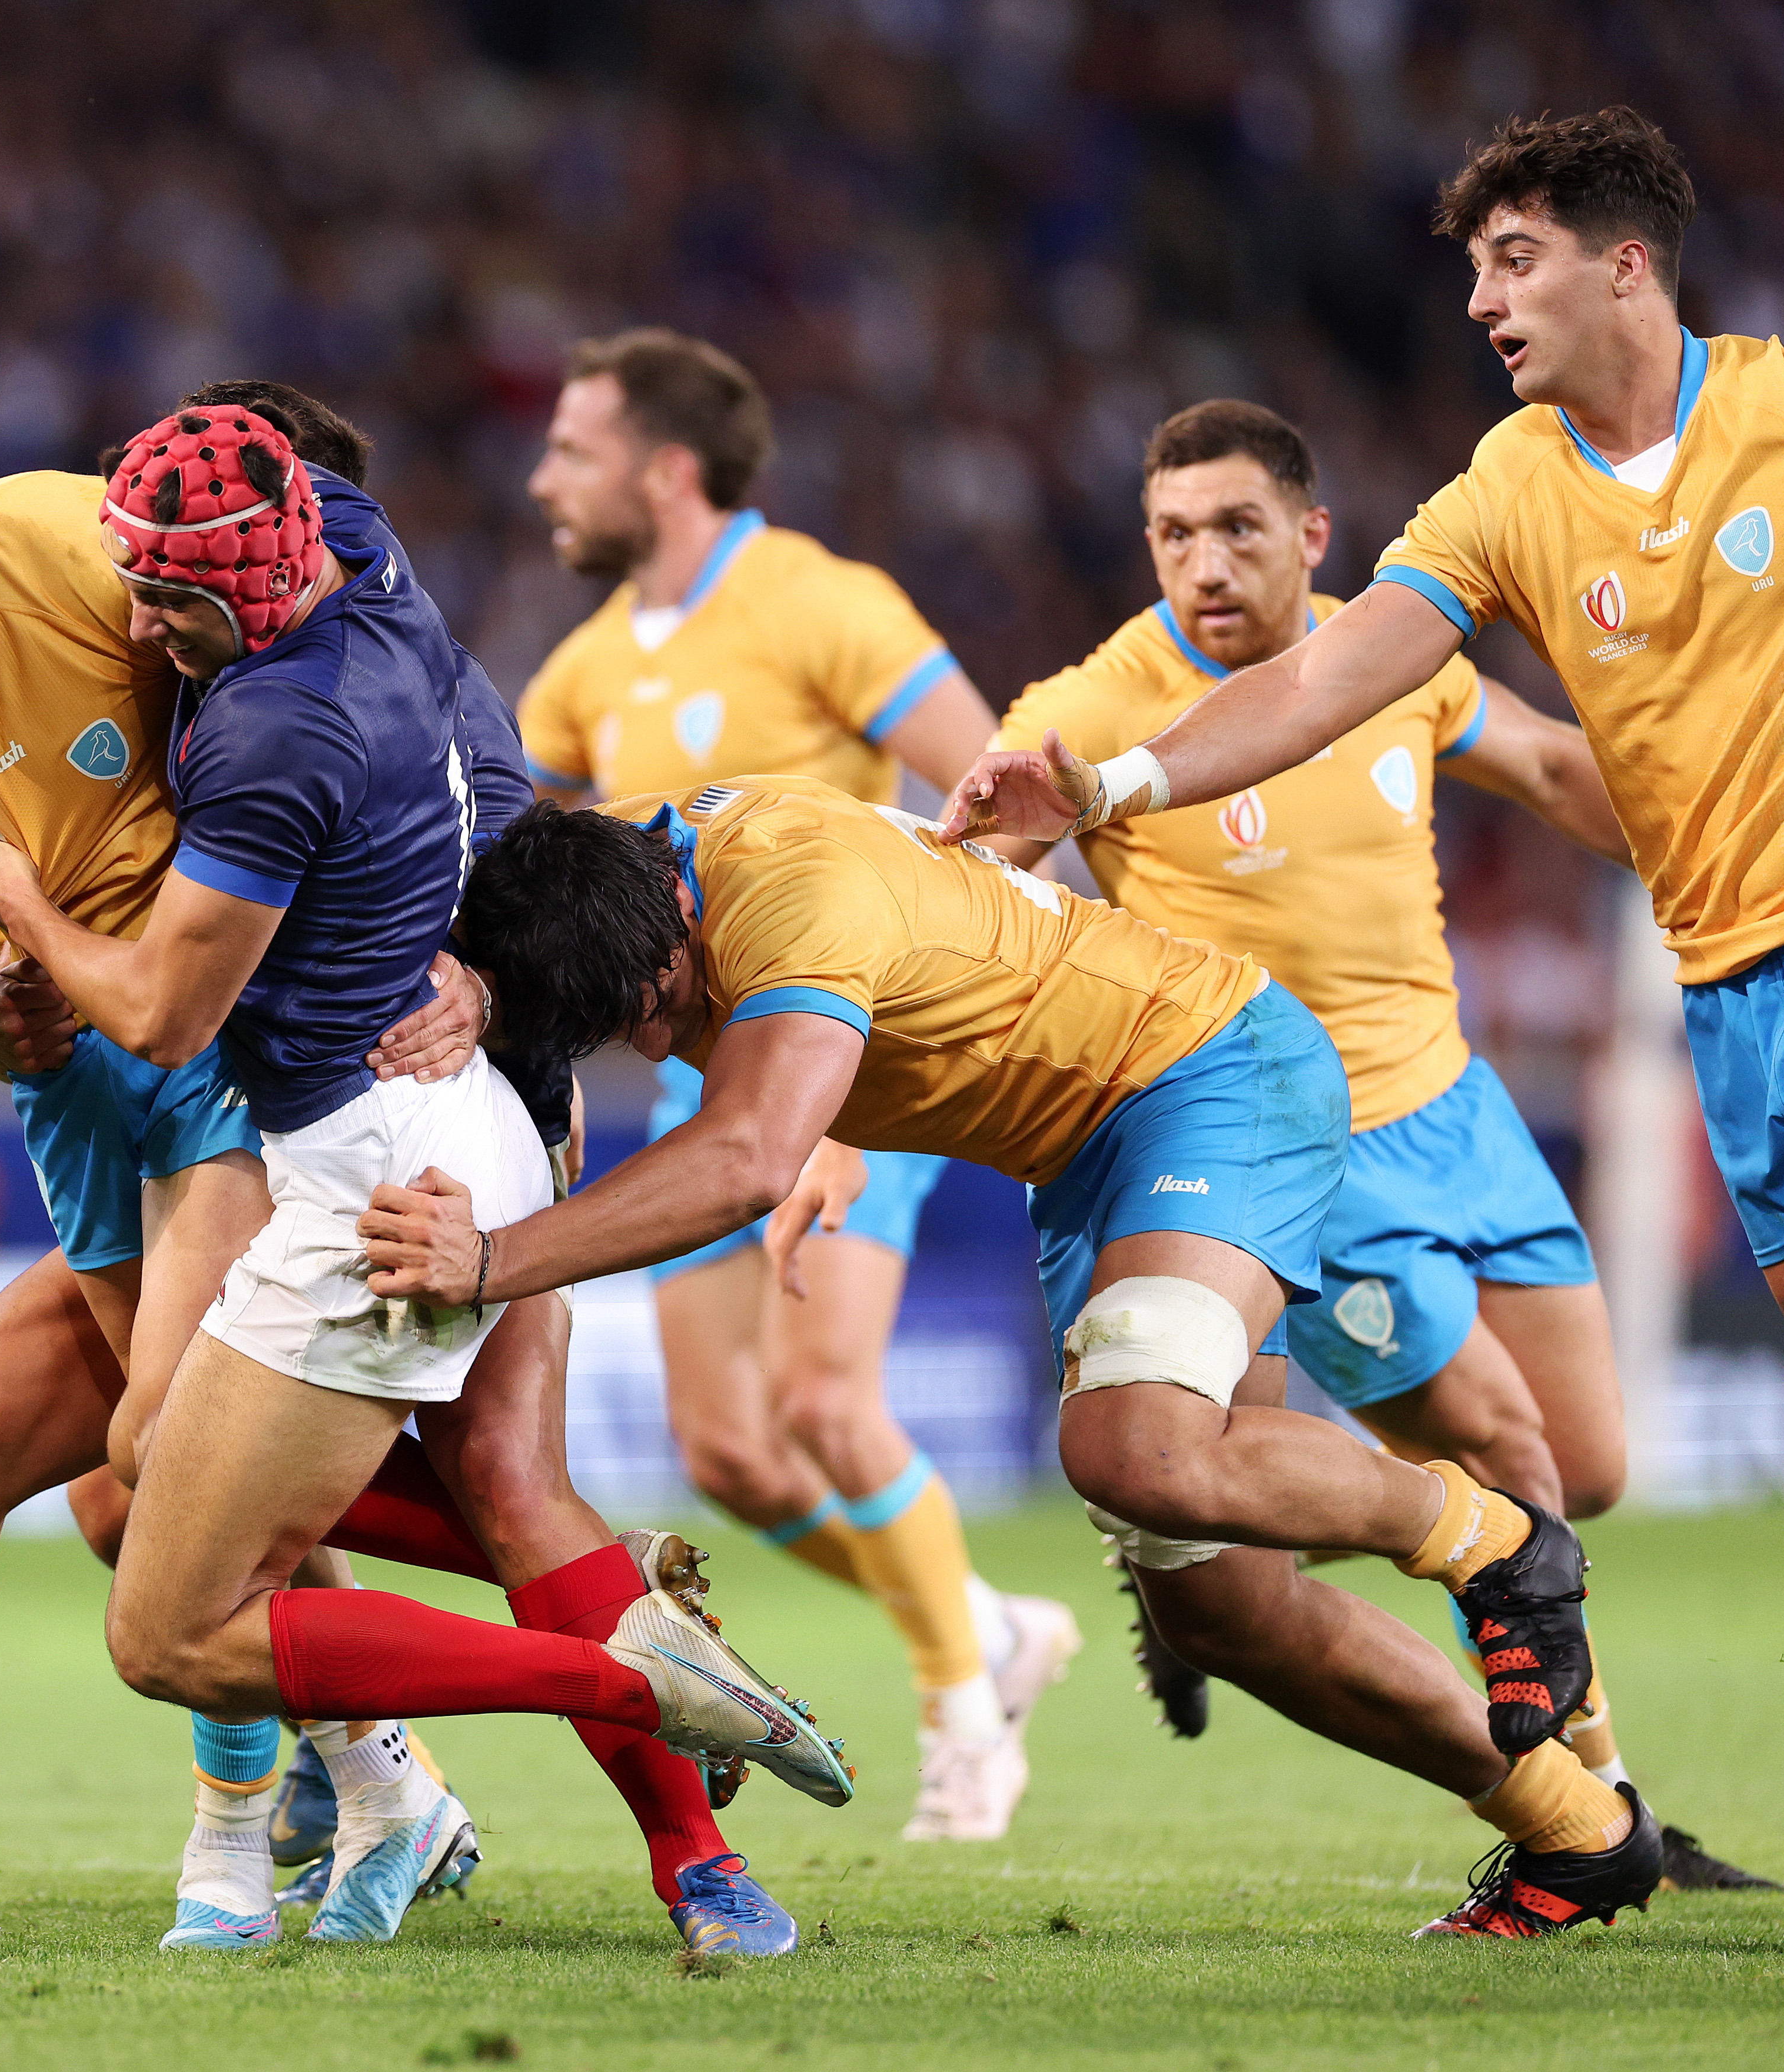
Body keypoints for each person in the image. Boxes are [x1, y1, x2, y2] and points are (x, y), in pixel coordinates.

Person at [0, 374, 778, 1956]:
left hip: (237, 1068)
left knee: (172, 1469)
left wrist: (497, 978)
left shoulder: (93, 556)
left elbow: (430, 713)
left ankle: (500, 1835)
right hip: (78, 1104)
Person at [942, 105, 1784, 1937]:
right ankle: (1527, 1722)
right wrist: (1110, 785)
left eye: (1512, 258)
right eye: (1469, 266)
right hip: (1712, 999)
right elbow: (1322, 684)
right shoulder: (1497, 496)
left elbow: (1536, 757)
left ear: (1627, 262)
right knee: (1733, 1414)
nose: (1475, 297)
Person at [370, 778, 1660, 1940]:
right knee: (1227, 1613)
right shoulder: (624, 868)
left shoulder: (789, 897)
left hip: (1208, 1077)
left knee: (1134, 1448)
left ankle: (1492, 1541)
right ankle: (1580, 1832)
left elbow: (744, 1158)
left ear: (669, 923)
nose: (657, 1044)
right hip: (1089, 1148)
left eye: (656, 1009)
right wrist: (483, 987)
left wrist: (492, 1258)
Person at [0, 405, 856, 1948]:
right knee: (498, 1495)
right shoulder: (363, 558)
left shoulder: (266, 735)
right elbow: (495, 800)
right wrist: (505, 1002)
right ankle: (702, 1869)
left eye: (166, 594)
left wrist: (18, 906)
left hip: (374, 1195)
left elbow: (162, 1012)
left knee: (164, 1617)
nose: (136, 618)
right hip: (493, 1115)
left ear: (249, 589)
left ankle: (618, 1671)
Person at [982, 397, 1775, 1893]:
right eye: (1171, 536)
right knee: (1510, 1458)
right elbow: (965, 884)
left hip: (1460, 1114)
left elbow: (1548, 768)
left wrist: (1730, 845)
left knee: (1588, 1470)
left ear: (1312, 536)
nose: (1202, 564)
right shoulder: (1093, 710)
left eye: (1236, 529)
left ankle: (1184, 1529)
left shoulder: (1387, 658)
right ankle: (1610, 1811)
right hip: (1295, 1149)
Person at [516, 327, 1078, 1840]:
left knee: (828, 1408)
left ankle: (965, 1714)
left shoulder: (823, 603)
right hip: (702, 1086)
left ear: (666, 468)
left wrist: (853, 1076)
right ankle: (989, 1623)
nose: (541, 479)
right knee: (733, 1458)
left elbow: (996, 799)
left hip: (863, 1053)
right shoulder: (579, 676)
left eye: (571, 450)